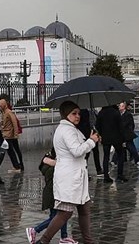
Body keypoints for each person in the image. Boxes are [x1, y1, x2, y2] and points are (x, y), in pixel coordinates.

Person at [36, 101, 99, 244]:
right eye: (73, 113)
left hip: (76, 176)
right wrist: (91, 141)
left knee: (84, 209)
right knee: (65, 212)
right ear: (66, 114)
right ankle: (43, 241)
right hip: (70, 177)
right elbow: (77, 151)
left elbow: (81, 148)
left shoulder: (71, 128)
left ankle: (88, 240)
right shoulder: (67, 130)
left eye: (78, 113)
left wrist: (92, 140)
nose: (77, 116)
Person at [25, 148, 77, 244]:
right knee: (57, 217)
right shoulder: (54, 166)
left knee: (62, 213)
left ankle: (64, 237)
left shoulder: (48, 160)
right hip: (53, 193)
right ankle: (35, 230)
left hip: (53, 192)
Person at [96, 105, 127, 183]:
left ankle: (106, 177)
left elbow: (97, 126)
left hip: (106, 138)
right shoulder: (116, 112)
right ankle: (120, 175)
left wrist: (101, 134)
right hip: (117, 138)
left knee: (106, 157)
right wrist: (123, 138)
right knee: (120, 155)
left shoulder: (101, 113)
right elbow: (121, 126)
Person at [0, 99, 23, 172]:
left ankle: (17, 166)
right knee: (11, 151)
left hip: (8, 135)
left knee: (8, 151)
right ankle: (18, 166)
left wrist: (15, 134)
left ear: (3, 105)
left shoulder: (8, 112)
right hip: (7, 134)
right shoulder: (3, 113)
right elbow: (4, 124)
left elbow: (14, 123)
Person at [78, 108, 103, 175]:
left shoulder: (93, 111)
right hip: (85, 134)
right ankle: (85, 170)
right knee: (86, 154)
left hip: (93, 134)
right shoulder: (83, 111)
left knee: (95, 152)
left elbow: (96, 122)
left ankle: (98, 169)